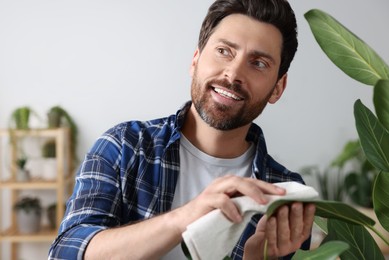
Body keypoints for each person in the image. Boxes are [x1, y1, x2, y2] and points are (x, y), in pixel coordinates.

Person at [49, 0, 316, 259]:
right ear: (195, 61)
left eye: (258, 63)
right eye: (224, 51)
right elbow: (66, 253)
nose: (233, 73)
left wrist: (256, 259)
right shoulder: (123, 146)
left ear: (278, 88)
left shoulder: (284, 194)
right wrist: (186, 216)